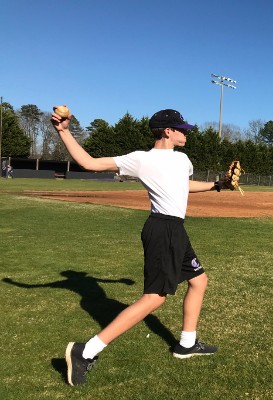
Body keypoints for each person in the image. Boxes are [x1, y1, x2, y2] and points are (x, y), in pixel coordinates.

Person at [52, 107, 225, 386]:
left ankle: (186, 344)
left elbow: (184, 185)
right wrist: (63, 131)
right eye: (182, 129)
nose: (186, 133)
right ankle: (85, 351)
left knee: (199, 281)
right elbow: (89, 163)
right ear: (167, 131)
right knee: (155, 297)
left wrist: (219, 185)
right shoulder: (140, 160)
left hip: (176, 230)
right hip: (162, 229)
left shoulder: (182, 160)